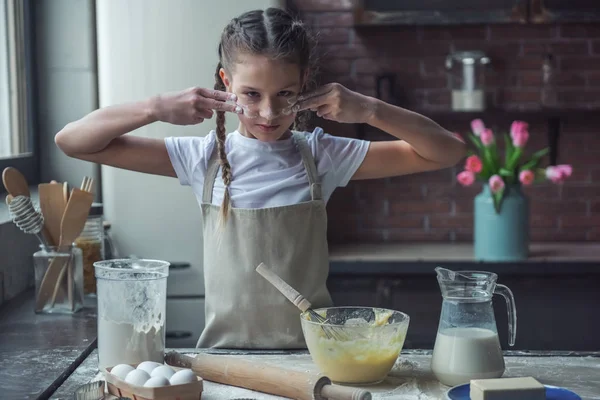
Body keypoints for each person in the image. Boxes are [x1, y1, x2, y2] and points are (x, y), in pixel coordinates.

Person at [55, 8, 466, 349]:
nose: (269, 113)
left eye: (285, 94)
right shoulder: (203, 158)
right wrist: (156, 106)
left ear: (305, 83)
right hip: (224, 360)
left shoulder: (322, 154)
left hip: (313, 358)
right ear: (225, 83)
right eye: (251, 94)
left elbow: (447, 150)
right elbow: (73, 142)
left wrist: (372, 110)